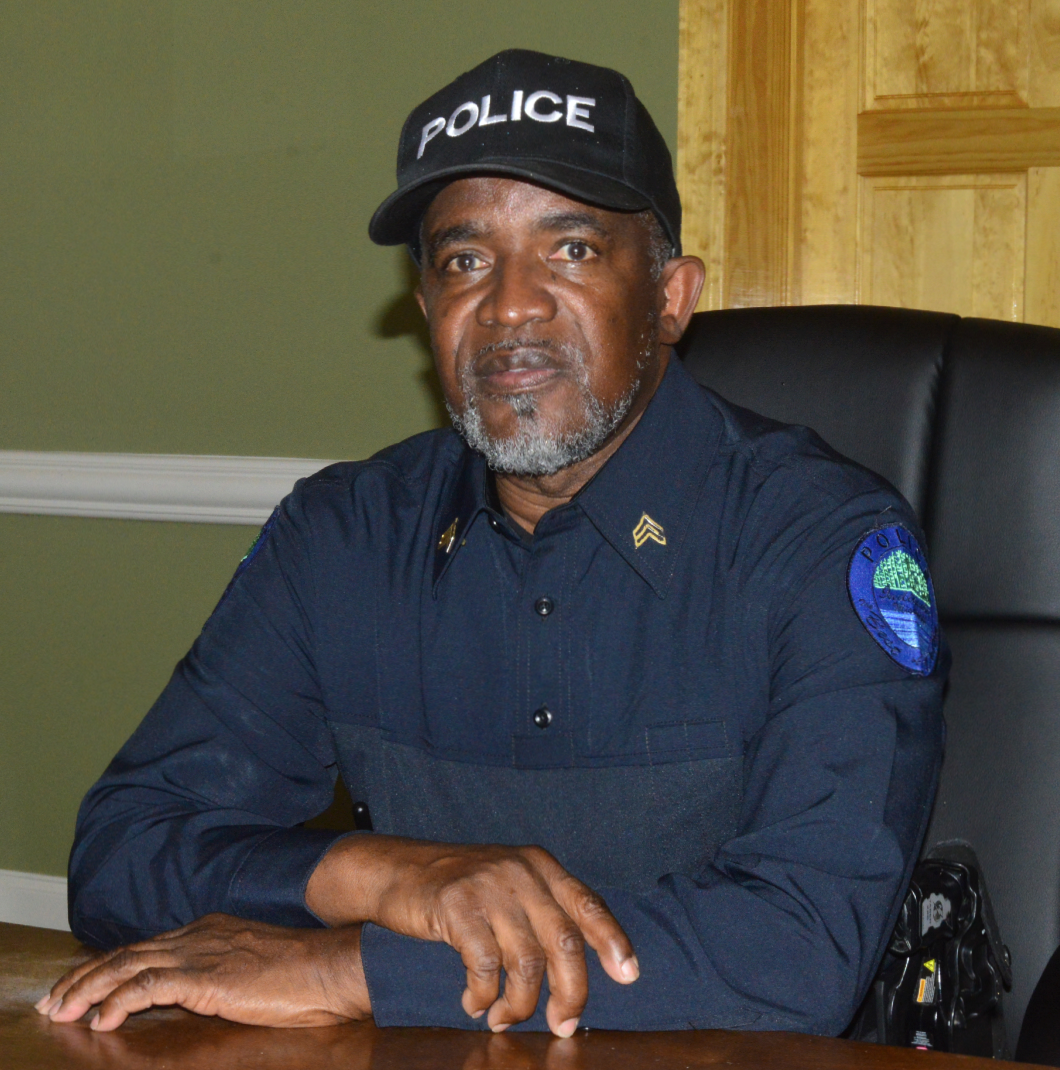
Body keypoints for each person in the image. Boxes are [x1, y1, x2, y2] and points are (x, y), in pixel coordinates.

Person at [39, 49, 946, 1038]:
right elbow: (121, 849)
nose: (510, 304)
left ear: (671, 297)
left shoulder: (817, 539)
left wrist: (358, 967)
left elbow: (799, 949)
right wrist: (384, 876)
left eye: (572, 249)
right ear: (426, 312)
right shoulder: (343, 535)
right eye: (464, 261)